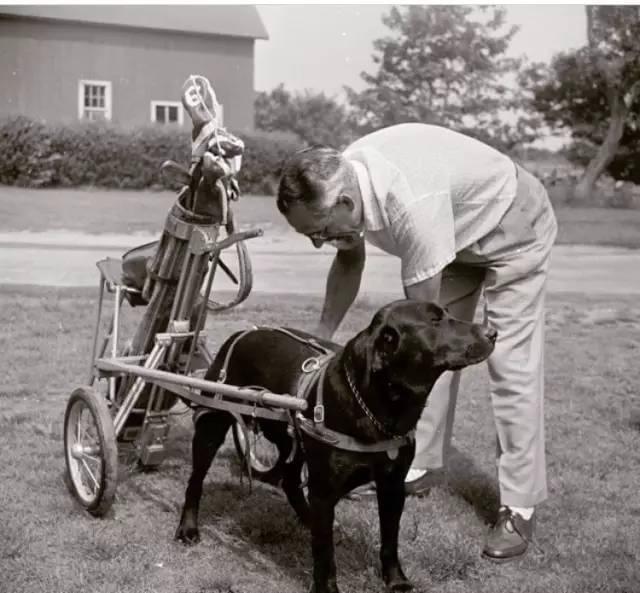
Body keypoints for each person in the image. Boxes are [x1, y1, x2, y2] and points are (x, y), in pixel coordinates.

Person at [275, 123, 558, 562]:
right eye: (311, 236)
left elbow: (424, 338)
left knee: (508, 365)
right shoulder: (343, 179)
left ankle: (520, 505)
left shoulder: (411, 206)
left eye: (321, 232)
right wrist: (321, 339)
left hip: (513, 223)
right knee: (428, 364)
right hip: (460, 232)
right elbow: (350, 260)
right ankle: (419, 465)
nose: (319, 243)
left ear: (346, 204)